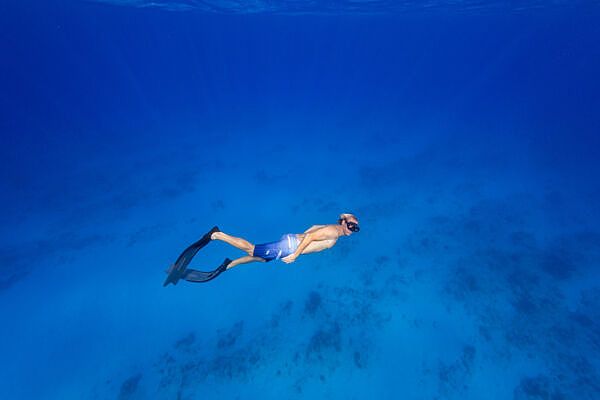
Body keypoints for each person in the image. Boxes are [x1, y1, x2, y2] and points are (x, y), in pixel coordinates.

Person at [163, 213, 360, 286]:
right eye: (351, 225)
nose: (352, 229)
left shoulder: (332, 229)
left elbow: (311, 228)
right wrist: (295, 255)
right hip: (290, 247)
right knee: (252, 250)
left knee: (261, 259)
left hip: (290, 242)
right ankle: (217, 235)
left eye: (355, 228)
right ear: (343, 222)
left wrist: (295, 241)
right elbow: (310, 236)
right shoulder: (334, 233)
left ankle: (228, 265)